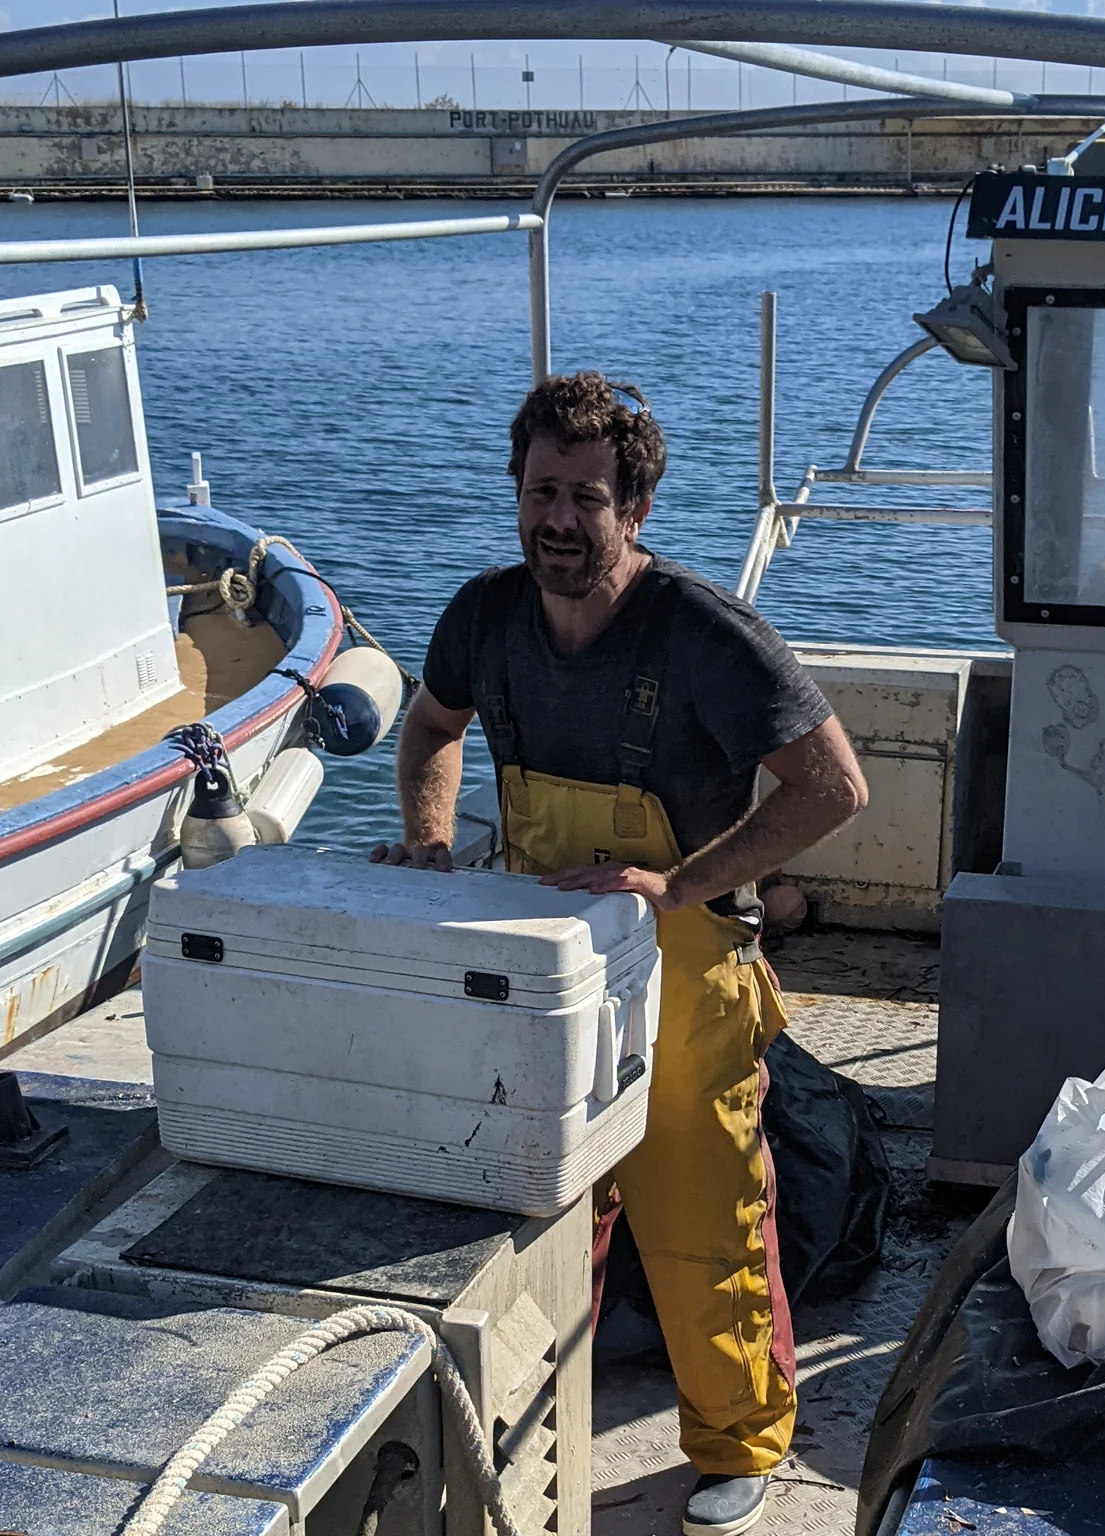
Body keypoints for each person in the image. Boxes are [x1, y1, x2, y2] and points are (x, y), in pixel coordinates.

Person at [373, 372, 868, 1536]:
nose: (557, 519)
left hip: (685, 973)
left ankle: (741, 1443)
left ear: (634, 508)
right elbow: (432, 729)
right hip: (540, 968)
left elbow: (835, 787)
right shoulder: (482, 616)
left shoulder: (705, 633)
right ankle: (531, 1427)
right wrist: (431, 843)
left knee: (706, 1223)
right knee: (538, 1219)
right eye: (540, 490)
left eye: (586, 498)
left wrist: (683, 882)